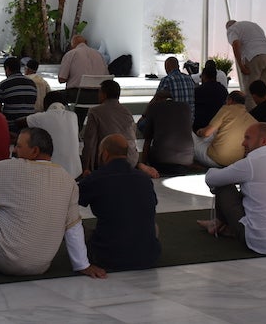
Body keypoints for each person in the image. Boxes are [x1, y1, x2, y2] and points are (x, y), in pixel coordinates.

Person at [0, 127, 106, 279]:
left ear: (34, 151)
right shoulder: (67, 180)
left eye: (19, 146)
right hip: (40, 265)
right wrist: (82, 265)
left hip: (5, 258)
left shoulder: (14, 167)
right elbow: (73, 228)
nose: (15, 150)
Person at [197, 123, 266, 255]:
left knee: (224, 186)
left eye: (248, 138)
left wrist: (215, 173)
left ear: (263, 141)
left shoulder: (253, 161)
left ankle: (217, 224)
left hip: (260, 241)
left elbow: (211, 179)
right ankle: (222, 225)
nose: (243, 143)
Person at [78, 134, 161, 270]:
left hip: (108, 256)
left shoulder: (96, 178)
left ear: (104, 154)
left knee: (72, 225)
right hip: (148, 257)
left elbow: (69, 203)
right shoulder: (144, 178)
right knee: (153, 225)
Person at [81, 79, 139, 173]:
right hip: (131, 160)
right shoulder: (127, 112)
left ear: (104, 94)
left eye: (99, 92)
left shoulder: (95, 112)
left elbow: (90, 142)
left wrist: (86, 167)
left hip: (108, 161)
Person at [22, 91, 81, 177]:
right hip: (76, 172)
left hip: (53, 172)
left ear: (45, 104)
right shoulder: (73, 116)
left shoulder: (40, 117)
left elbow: (19, 123)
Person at [194, 91, 257, 168]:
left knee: (189, 134)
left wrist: (199, 132)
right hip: (235, 162)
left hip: (215, 159)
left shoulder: (227, 109)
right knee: (217, 130)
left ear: (229, 100)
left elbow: (206, 133)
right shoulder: (252, 120)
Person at [226, 20, 266, 110]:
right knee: (263, 92)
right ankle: (265, 116)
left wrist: (241, 66)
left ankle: (251, 119)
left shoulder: (232, 29)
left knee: (250, 92)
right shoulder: (253, 25)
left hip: (254, 56)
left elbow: (235, 44)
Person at [138, 93, 194, 174]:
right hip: (186, 160)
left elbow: (147, 139)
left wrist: (143, 165)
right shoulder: (186, 106)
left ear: (156, 99)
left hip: (161, 161)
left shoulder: (154, 107)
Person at [0, 57, 38, 131]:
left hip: (11, 126)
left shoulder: (4, 84)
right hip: (29, 124)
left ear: (7, 69)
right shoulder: (31, 83)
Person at [155, 56, 196, 121]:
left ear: (167, 67)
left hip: (173, 123)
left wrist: (144, 115)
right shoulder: (190, 79)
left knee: (142, 125)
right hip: (189, 122)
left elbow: (156, 99)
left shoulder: (167, 80)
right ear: (178, 66)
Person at [193, 61, 227, 131]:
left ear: (204, 76)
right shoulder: (223, 90)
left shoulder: (198, 91)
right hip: (219, 125)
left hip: (201, 126)